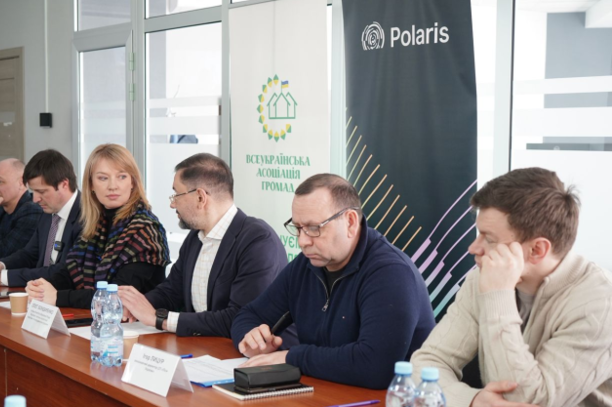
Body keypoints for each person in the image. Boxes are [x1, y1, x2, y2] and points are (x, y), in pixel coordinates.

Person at [411, 168, 612, 407]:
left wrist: (498, 295)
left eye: (489, 239)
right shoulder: (482, 278)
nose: (473, 248)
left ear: (537, 250)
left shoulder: (600, 304)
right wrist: (470, 404)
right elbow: (425, 364)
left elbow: (523, 405)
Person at [230, 173, 434, 389]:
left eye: (314, 228)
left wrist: (292, 357)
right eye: (298, 228)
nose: (303, 241)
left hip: (393, 402)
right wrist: (251, 339)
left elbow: (375, 366)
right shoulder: (306, 264)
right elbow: (249, 315)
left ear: (350, 222)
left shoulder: (391, 273)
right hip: (326, 390)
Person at [118, 153, 286, 337]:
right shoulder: (195, 237)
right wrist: (134, 305)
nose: (172, 204)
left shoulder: (258, 241)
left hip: (247, 351)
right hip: (202, 347)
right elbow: (172, 291)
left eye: (176, 195)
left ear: (200, 197)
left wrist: (159, 319)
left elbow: (241, 319)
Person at [27, 144, 170, 309]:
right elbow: (70, 271)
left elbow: (117, 296)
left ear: (132, 182)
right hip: (97, 318)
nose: (113, 186)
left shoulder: (146, 230)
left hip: (135, 323)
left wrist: (57, 297)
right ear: (91, 185)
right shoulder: (96, 224)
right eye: (103, 178)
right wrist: (41, 287)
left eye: (122, 177)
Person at [0, 149, 82, 287]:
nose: (35, 199)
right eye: (33, 191)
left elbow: (64, 272)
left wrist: (2, 278)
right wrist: (2, 264)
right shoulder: (48, 210)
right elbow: (30, 254)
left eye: (41, 191)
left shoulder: (86, 217)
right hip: (38, 292)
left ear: (64, 185)